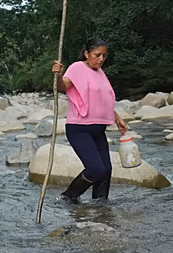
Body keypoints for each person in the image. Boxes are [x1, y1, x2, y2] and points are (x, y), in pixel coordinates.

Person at [51, 38, 128, 201]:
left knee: (106, 171)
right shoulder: (77, 68)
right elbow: (62, 86)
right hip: (79, 129)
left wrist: (117, 117)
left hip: (98, 130)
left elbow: (102, 100)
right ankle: (68, 197)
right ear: (87, 54)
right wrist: (57, 75)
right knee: (95, 170)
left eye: (104, 56)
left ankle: (100, 206)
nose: (101, 59)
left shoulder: (100, 72)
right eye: (97, 55)